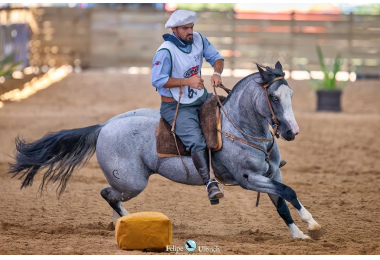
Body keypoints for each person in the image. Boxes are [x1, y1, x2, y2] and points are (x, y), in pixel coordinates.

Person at [151, 9, 224, 203]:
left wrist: (217, 73)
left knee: (228, 111)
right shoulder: (165, 51)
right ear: (174, 29)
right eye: (185, 28)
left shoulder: (199, 39)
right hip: (176, 106)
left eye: (191, 27)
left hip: (200, 96)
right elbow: (158, 80)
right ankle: (209, 183)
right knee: (197, 142)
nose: (190, 31)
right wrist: (187, 81)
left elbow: (216, 57)